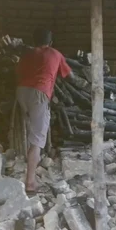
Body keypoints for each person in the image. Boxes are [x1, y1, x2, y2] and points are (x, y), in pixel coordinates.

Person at [16, 28, 72, 193]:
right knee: (37, 140)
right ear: (51, 42)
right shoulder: (55, 54)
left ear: (33, 41)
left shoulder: (26, 54)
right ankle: (30, 183)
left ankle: (28, 173)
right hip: (39, 92)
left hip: (21, 92)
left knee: (32, 132)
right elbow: (70, 76)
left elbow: (17, 73)